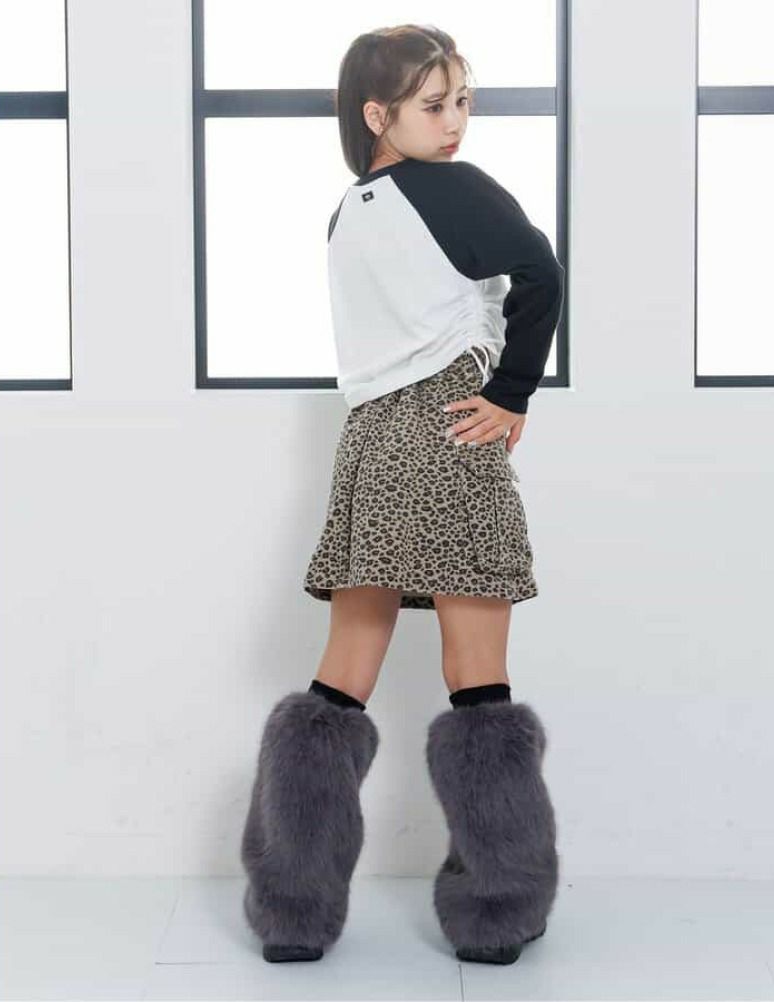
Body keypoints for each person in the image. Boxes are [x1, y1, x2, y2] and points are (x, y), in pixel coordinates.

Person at [240, 25, 564, 966]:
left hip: (372, 446)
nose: (455, 122)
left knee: (340, 676)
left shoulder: (349, 212)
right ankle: (499, 911)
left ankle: (292, 912)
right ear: (378, 114)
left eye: (463, 101)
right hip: (450, 438)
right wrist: (511, 393)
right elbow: (541, 272)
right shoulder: (453, 189)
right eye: (434, 104)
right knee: (481, 683)